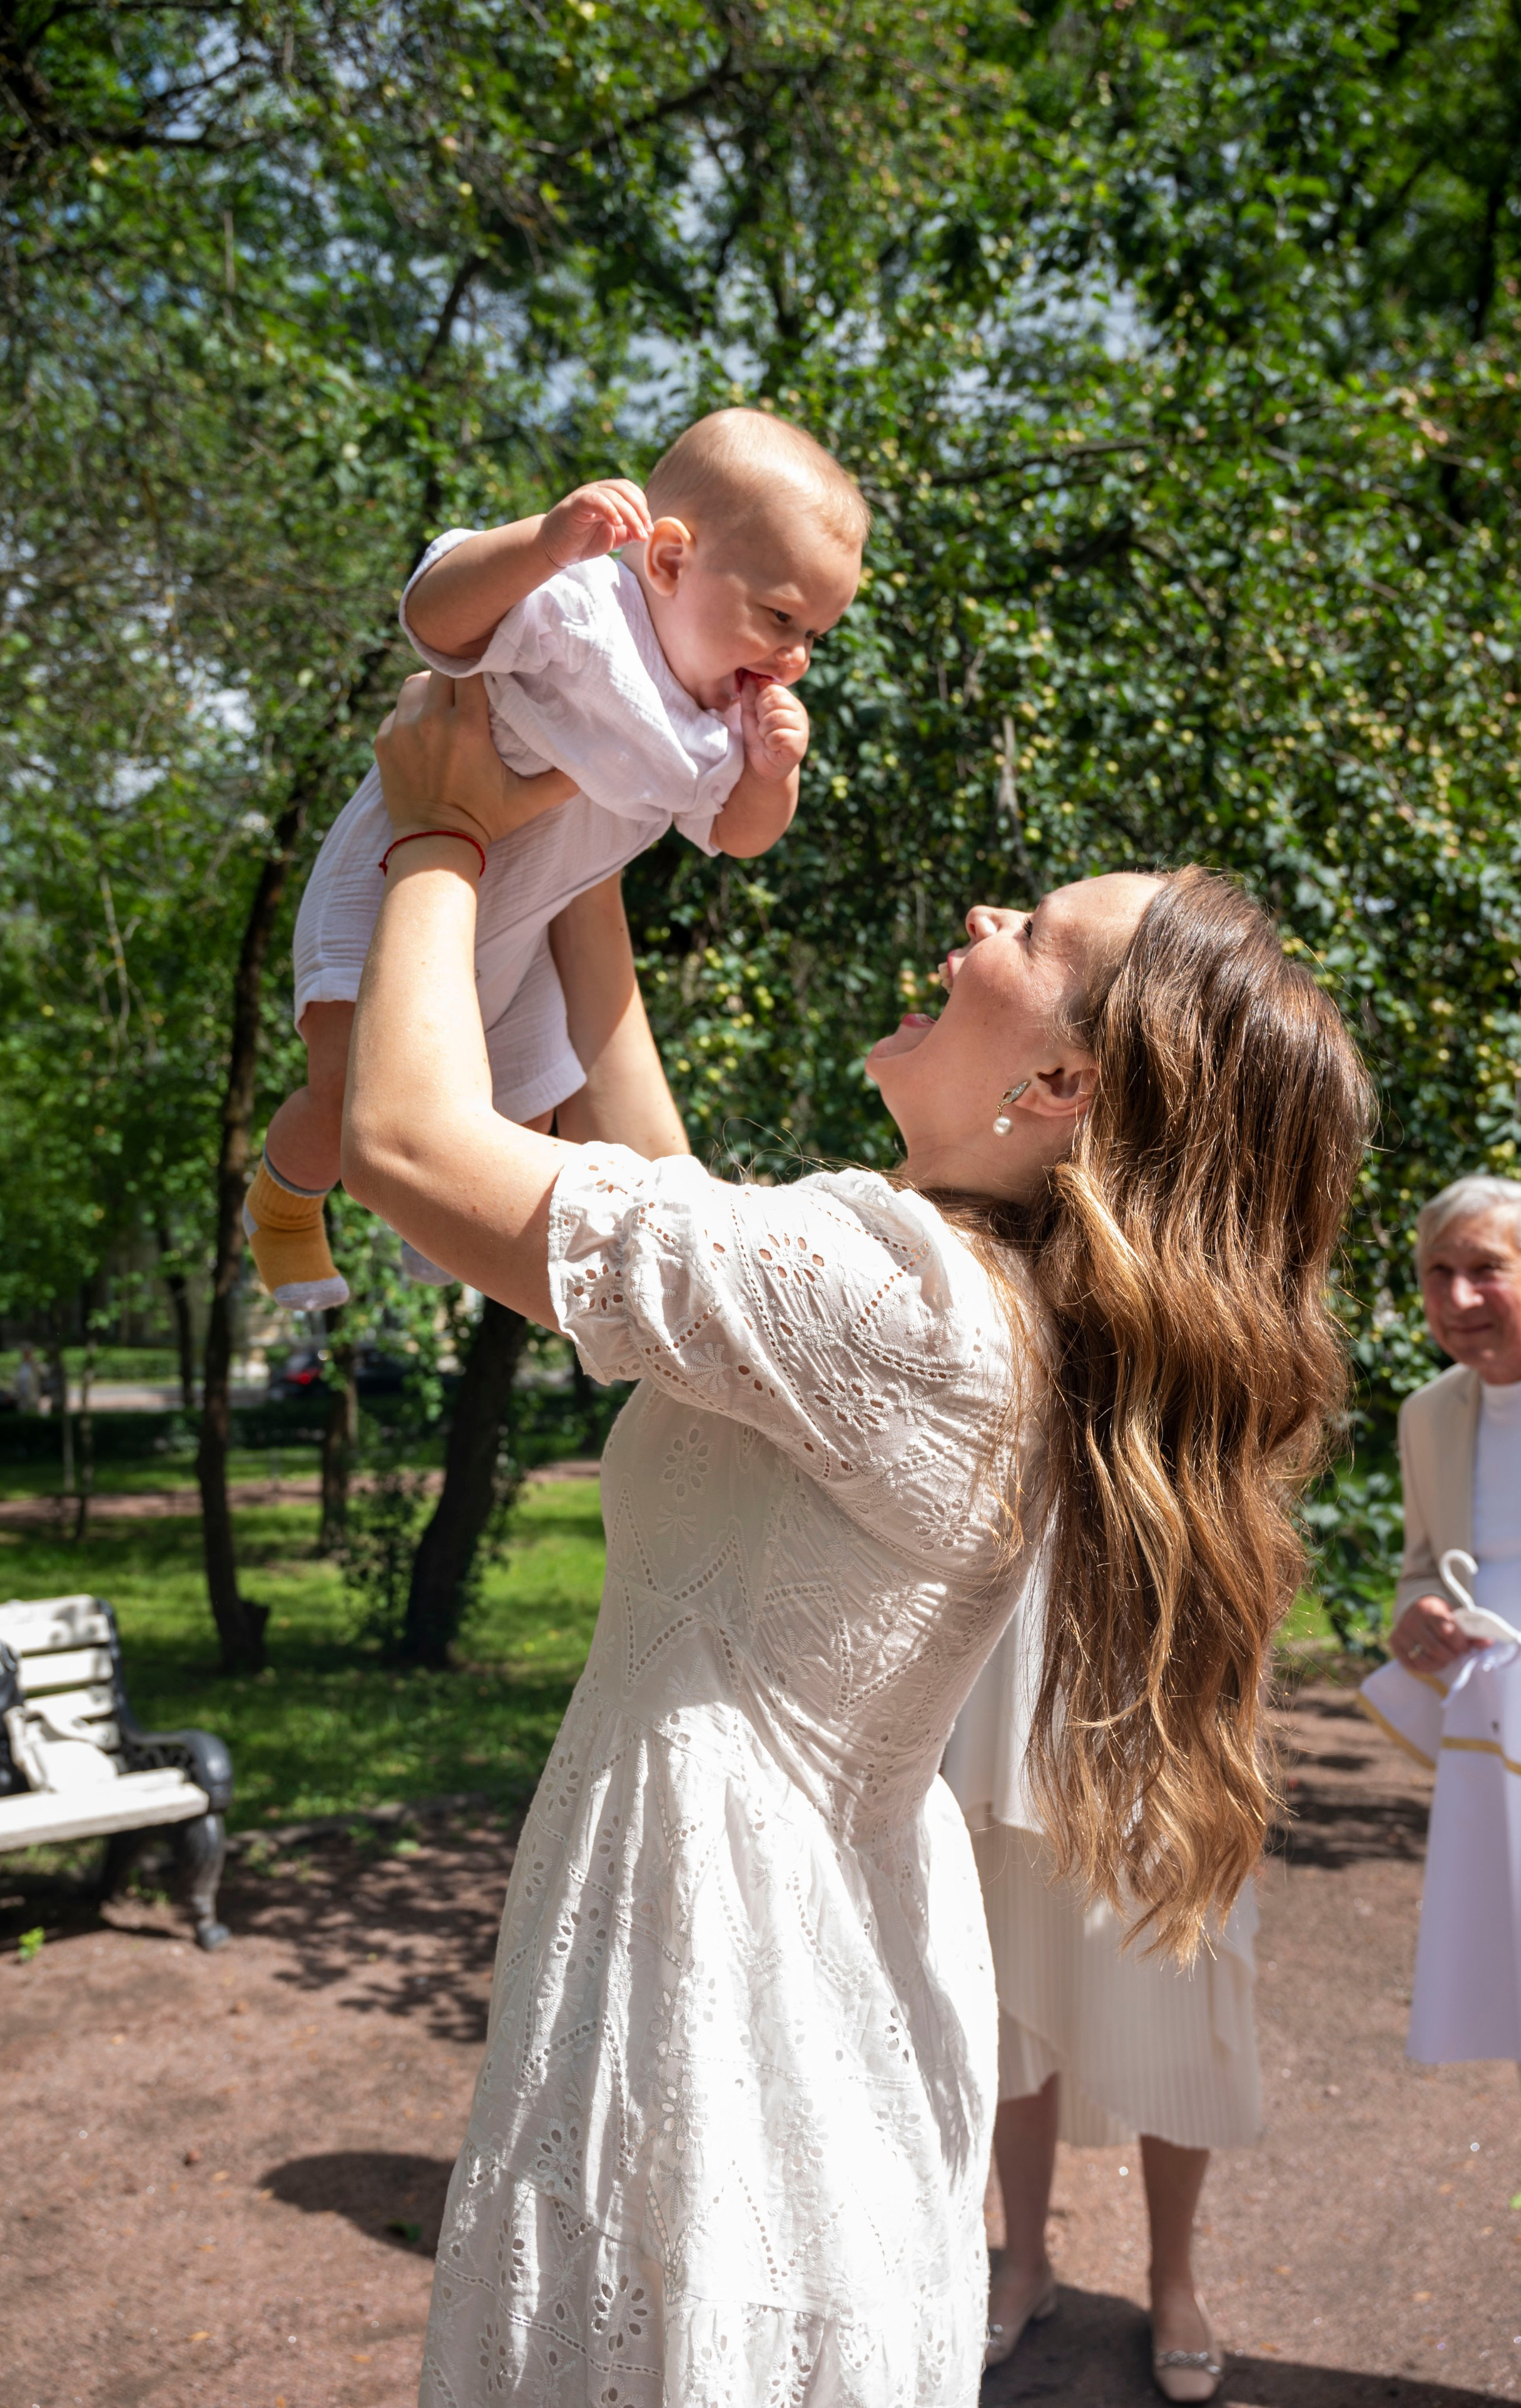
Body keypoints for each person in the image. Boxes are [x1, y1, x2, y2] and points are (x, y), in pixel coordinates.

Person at [342, 670, 1372, 2406]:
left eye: (1032, 929)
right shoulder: (967, 1298)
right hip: (785, 1966)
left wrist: (442, 831)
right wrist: (586, 805)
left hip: (720, 1994)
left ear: (1058, 1073)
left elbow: (404, 1146)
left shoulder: (899, 1305)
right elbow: (656, 1186)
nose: (979, 918)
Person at [245, 406, 867, 1309]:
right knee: (349, 1089)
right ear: (666, 560)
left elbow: (735, 836)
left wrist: (774, 776)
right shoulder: (588, 610)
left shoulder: (719, 726)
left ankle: (443, 1234)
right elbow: (433, 619)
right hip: (393, 884)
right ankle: (285, 1202)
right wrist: (539, 544)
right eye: (780, 617)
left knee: (526, 1115)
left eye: (817, 635)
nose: (796, 657)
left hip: (523, 928)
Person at [944, 1598, 1259, 2402]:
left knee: (1178, 1978)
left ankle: (1174, 2279)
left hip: (1168, 1618)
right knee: (1008, 1971)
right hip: (1011, 1636)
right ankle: (1022, 2261)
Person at [1388, 1175, 1521, 1677]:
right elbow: (1424, 1571)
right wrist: (1418, 1610)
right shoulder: (1427, 1415)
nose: (1460, 1298)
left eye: (1487, 1268)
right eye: (1439, 1270)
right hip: (1485, 1725)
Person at [13, 1342, 44, 1415]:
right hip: (22, 1395)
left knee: (33, 1413)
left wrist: (35, 1362)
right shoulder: (22, 1364)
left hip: (33, 1396)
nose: (26, 1355)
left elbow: (44, 1373)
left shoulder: (36, 1364)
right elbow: (17, 1379)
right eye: (24, 1353)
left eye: (28, 1353)